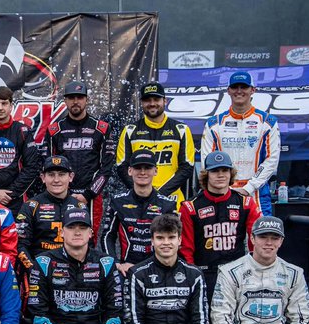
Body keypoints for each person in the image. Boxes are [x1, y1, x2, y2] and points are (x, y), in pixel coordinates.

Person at [125, 213, 211, 324]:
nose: (166, 243)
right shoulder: (137, 274)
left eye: (171, 237)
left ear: (180, 240)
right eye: (160, 238)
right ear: (152, 241)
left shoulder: (194, 274)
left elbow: (201, 320)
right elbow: (132, 320)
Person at [179, 150, 260, 308]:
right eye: (215, 171)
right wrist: (192, 277)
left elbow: (256, 241)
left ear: (231, 173)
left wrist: (255, 271)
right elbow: (186, 249)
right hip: (205, 274)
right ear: (206, 175)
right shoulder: (190, 207)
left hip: (237, 274)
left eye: (225, 170)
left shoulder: (246, 203)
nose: (221, 175)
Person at [200, 71, 281, 215]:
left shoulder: (267, 122)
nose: (239, 91)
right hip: (222, 193)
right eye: (234, 87)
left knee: (259, 230)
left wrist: (249, 187)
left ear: (252, 90)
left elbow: (272, 160)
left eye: (243, 87)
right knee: (223, 230)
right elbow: (207, 161)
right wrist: (224, 188)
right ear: (228, 91)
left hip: (256, 194)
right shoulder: (214, 123)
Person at [46, 81, 116, 229]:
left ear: (87, 100)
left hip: (91, 196)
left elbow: (106, 168)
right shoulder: (54, 130)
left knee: (89, 235)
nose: (75, 101)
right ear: (65, 101)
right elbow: (48, 166)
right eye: (71, 98)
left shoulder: (102, 129)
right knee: (60, 235)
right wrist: (63, 192)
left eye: (80, 97)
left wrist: (88, 194)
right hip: (61, 194)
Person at [99, 150, 178, 275]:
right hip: (127, 269)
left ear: (155, 171)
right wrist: (115, 264)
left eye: (147, 168)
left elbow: (174, 240)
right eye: (137, 168)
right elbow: (107, 236)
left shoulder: (167, 205)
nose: (142, 172)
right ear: (130, 171)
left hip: (159, 268)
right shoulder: (118, 202)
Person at [115, 82, 195, 203]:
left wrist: (159, 194)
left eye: (156, 99)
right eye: (147, 100)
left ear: (165, 101)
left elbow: (187, 167)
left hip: (172, 199)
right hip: (139, 200)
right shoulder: (130, 131)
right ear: (141, 103)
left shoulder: (181, 130)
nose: (152, 103)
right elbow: (122, 167)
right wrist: (143, 192)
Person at [15, 156, 86, 274]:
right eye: (51, 175)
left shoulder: (80, 207)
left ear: (71, 177)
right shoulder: (30, 206)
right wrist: (33, 270)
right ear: (43, 178)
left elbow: (87, 244)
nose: (56, 180)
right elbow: (20, 245)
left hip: (72, 271)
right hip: (39, 270)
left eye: (61, 174)